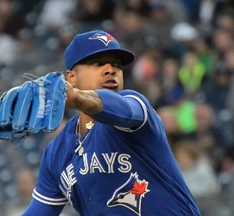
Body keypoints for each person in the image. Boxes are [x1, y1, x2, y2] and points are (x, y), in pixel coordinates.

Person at [21, 30, 201, 215]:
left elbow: (123, 109)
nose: (110, 69)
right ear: (71, 78)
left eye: (116, 64)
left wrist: (78, 98)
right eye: (97, 63)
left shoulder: (134, 108)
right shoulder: (56, 153)